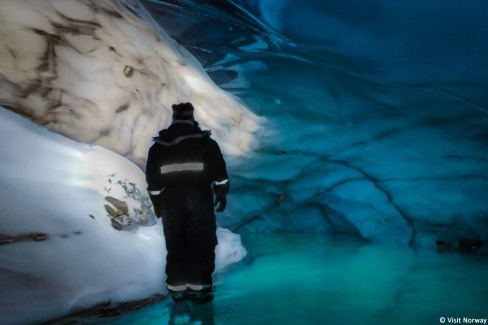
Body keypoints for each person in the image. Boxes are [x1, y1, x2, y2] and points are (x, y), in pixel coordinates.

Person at [145, 102, 229, 302]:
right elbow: (220, 174)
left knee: (176, 244)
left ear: (173, 119)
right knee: (201, 242)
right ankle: (200, 290)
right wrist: (222, 194)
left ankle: (177, 289)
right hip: (199, 201)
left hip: (171, 204)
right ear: (192, 119)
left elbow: (153, 181)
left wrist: (157, 202)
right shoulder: (207, 144)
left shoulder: (158, 148)